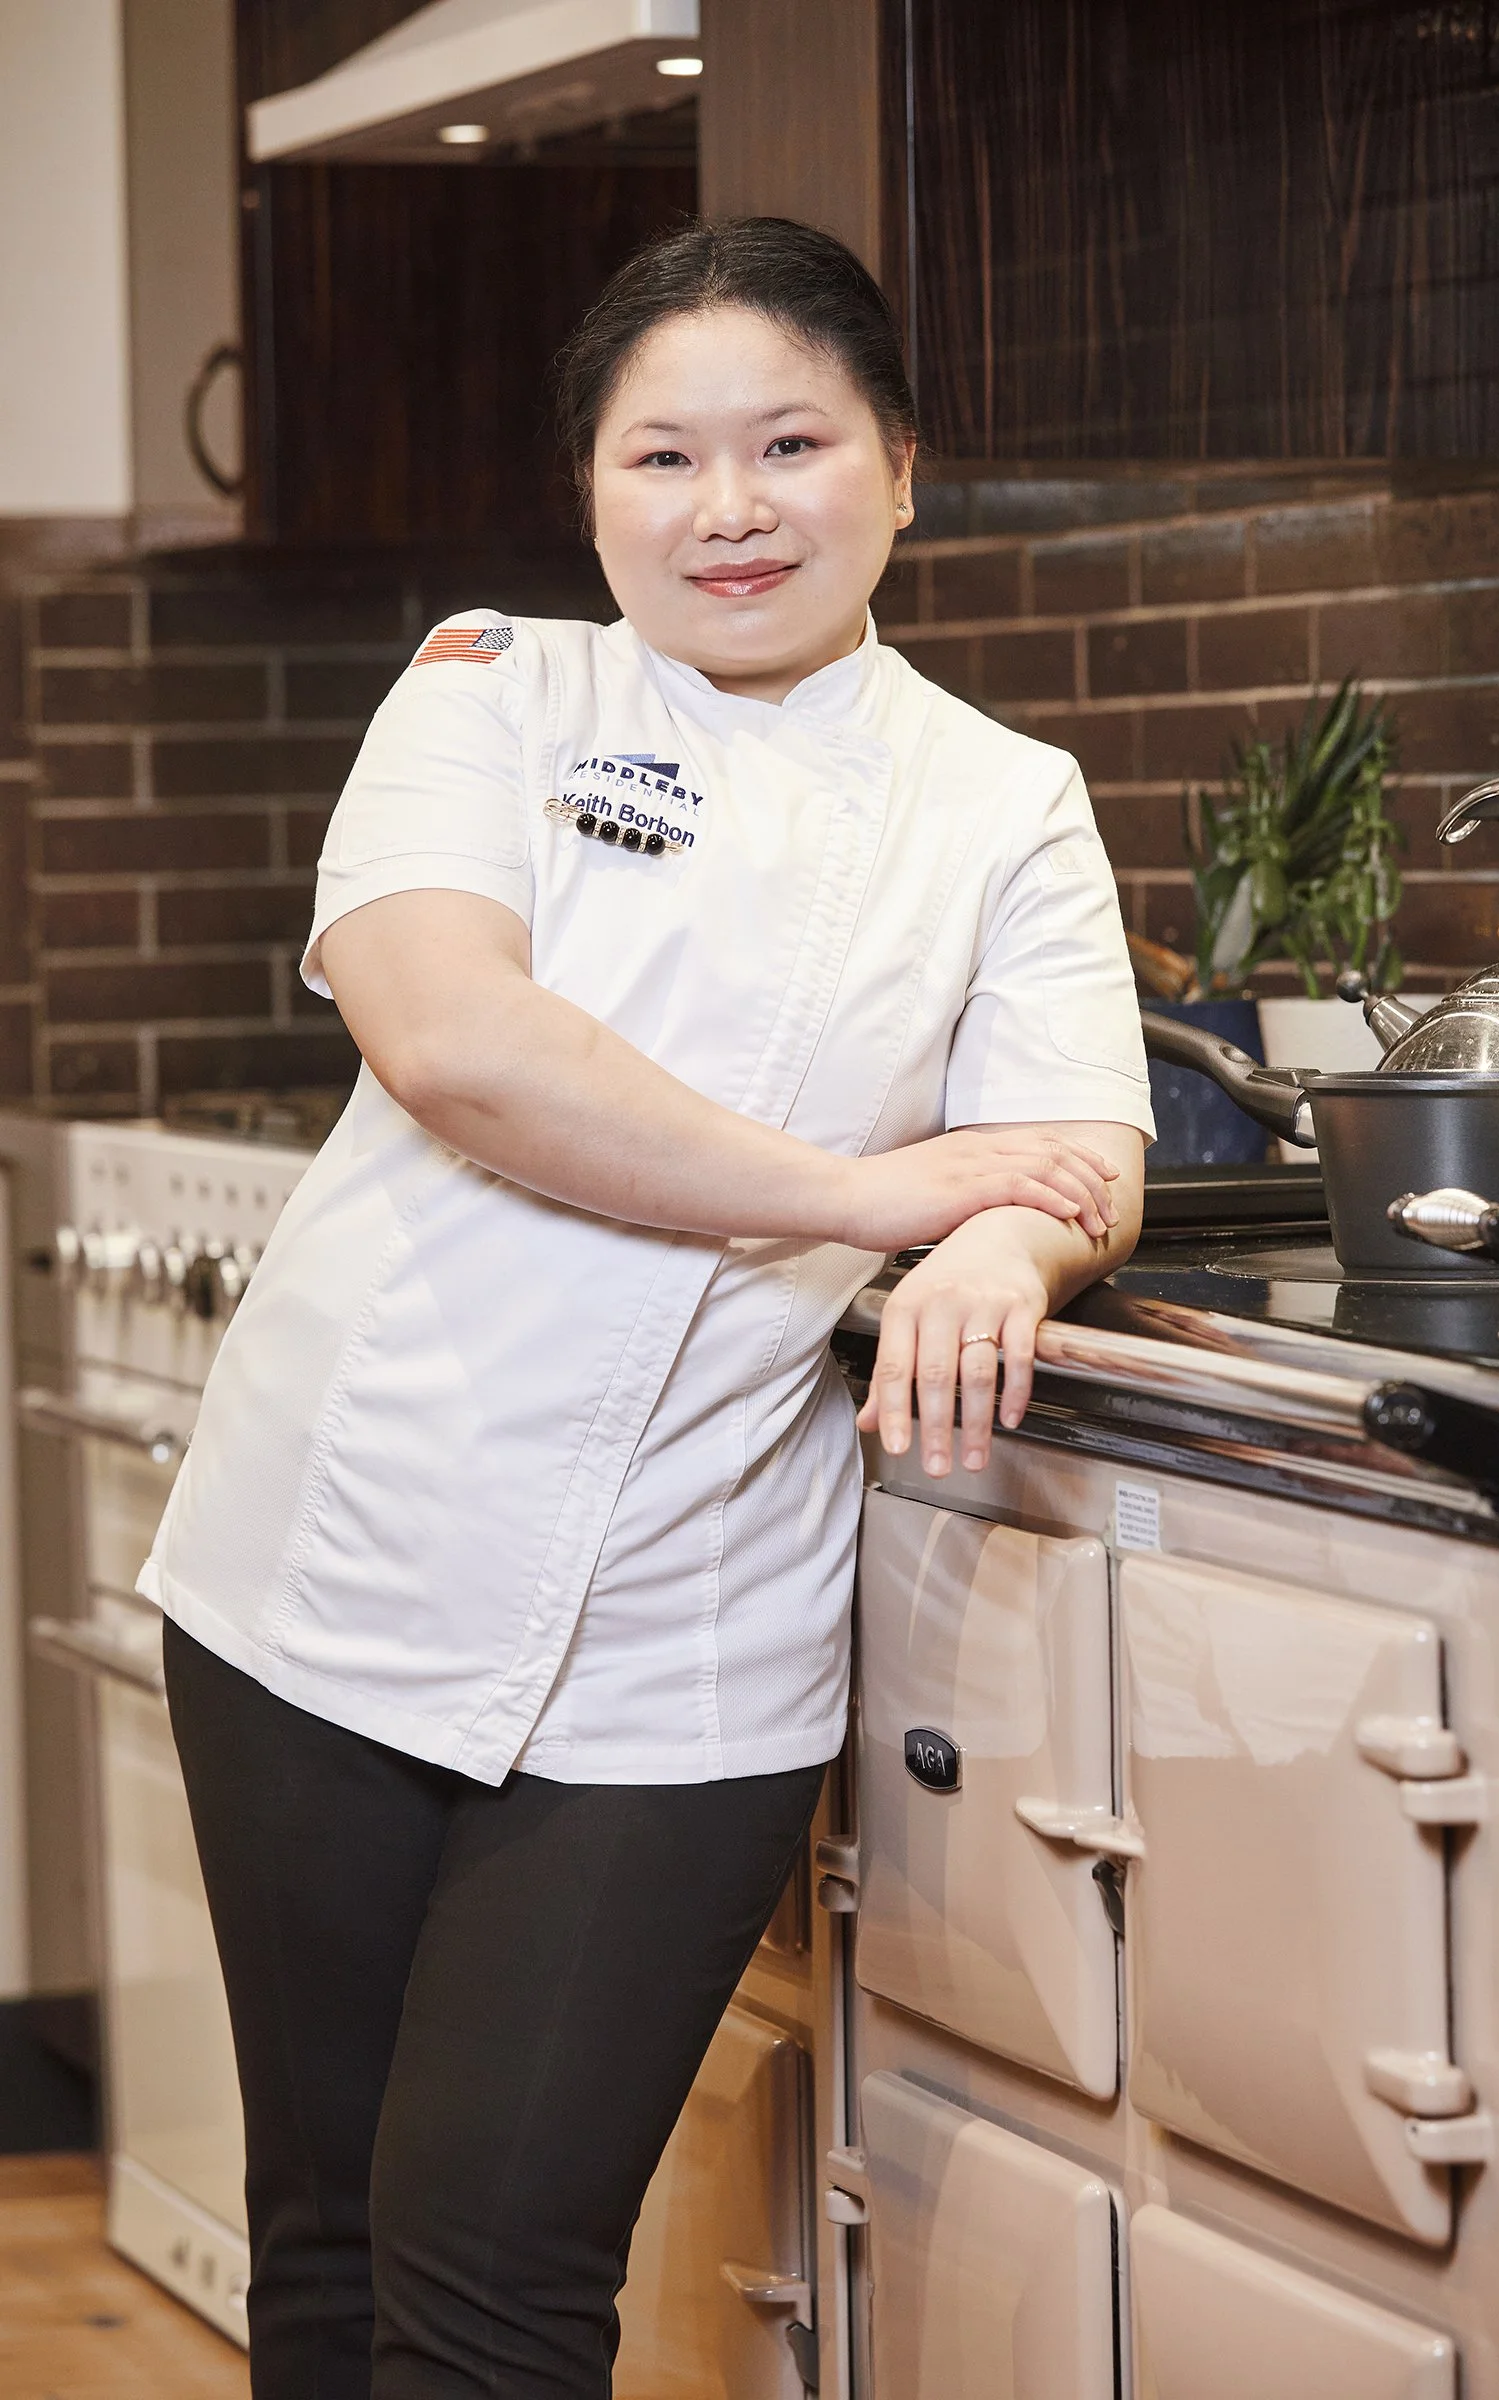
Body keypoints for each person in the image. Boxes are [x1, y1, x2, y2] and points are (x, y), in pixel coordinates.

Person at [138, 216, 1154, 2398]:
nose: (726, 508)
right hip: (332, 1556)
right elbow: (457, 1050)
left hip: (690, 1626)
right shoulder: (489, 688)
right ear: (588, 494)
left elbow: (1077, 1142)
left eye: (787, 443)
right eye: (659, 457)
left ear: (899, 464)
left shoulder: (1002, 804)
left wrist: (996, 1239)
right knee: (324, 2242)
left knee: (496, 2262)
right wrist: (872, 1194)